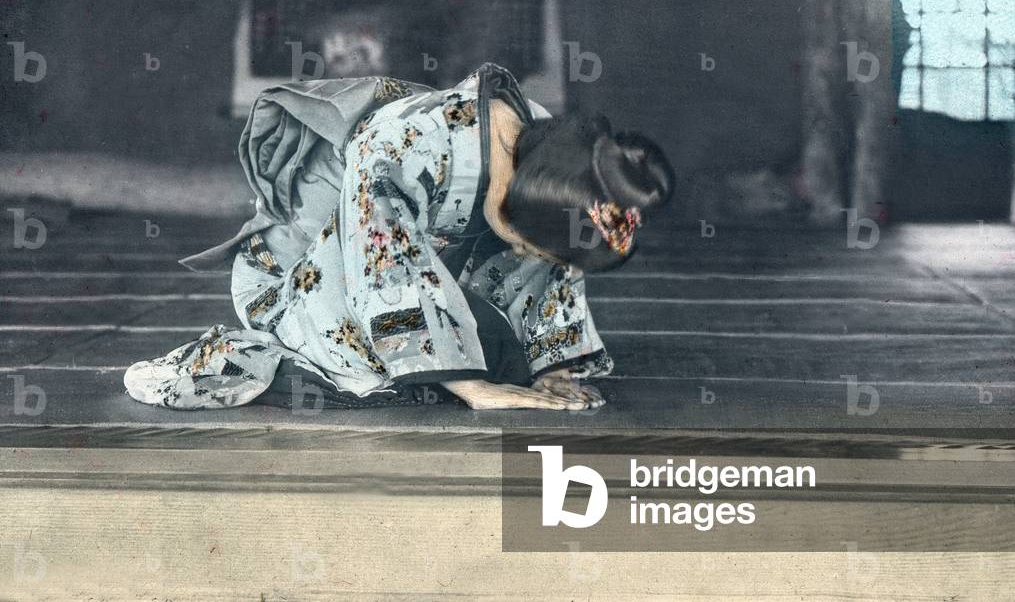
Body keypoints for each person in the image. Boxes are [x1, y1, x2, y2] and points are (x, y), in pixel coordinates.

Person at [124, 63, 674, 411]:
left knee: (508, 362)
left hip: (417, 254)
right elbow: (384, 263)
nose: (527, 255)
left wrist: (552, 366)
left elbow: (552, 261)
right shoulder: (404, 144)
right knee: (379, 374)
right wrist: (471, 388)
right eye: (526, 243)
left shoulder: (548, 147)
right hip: (306, 268)